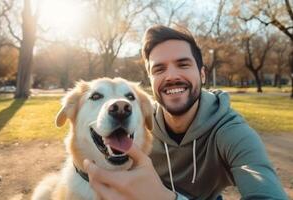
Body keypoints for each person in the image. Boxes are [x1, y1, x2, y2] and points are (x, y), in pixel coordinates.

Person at [83, 25, 287, 200]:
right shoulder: (137, 127)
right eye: (159, 69)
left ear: (202, 74)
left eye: (183, 64)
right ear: (151, 79)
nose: (171, 76)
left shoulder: (230, 131)